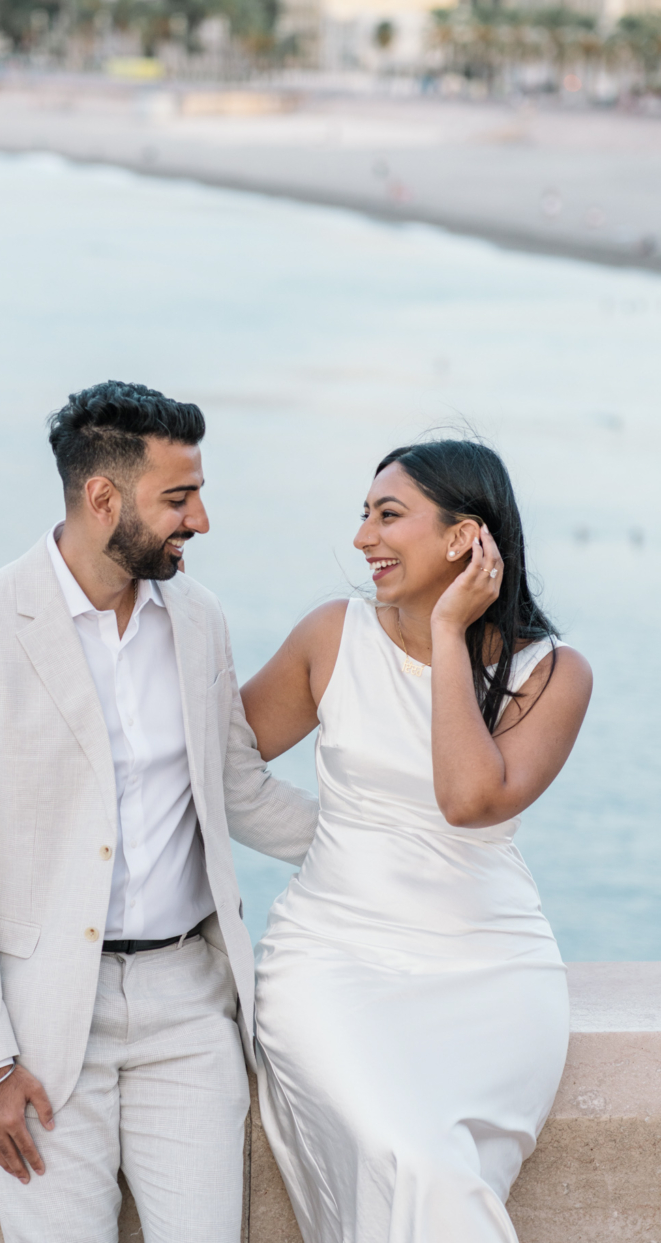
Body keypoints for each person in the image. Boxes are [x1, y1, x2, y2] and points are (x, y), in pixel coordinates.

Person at [0, 380, 318, 1243]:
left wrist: (394, 844)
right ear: (103, 499)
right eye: (179, 497)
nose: (200, 519)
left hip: (189, 1008)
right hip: (48, 1026)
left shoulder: (199, 620)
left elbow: (237, 790)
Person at [243, 439, 592, 1243]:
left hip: (492, 970)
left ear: (466, 537)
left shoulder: (553, 672)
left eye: (388, 515)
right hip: (334, 960)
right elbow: (218, 761)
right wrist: (326, 838)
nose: (363, 537)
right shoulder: (332, 638)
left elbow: (470, 799)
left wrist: (446, 635)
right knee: (418, 1161)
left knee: (445, 1170)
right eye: (363, 515)